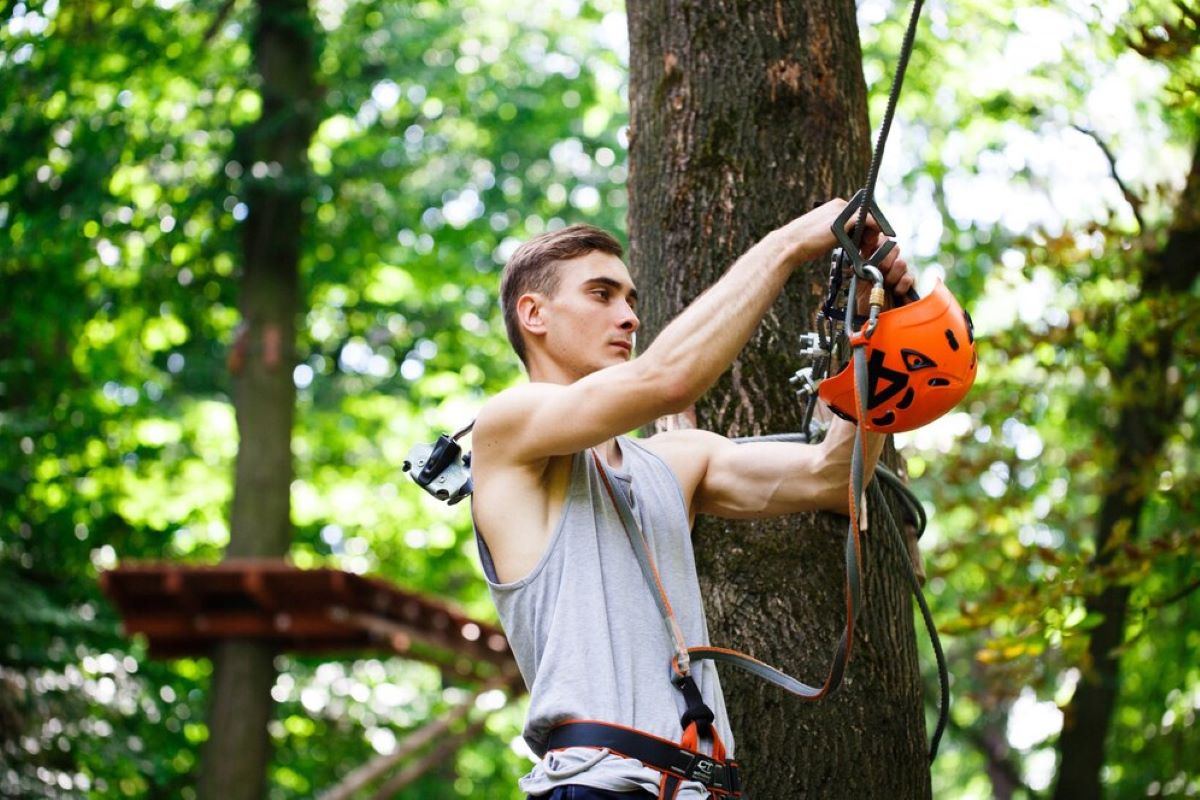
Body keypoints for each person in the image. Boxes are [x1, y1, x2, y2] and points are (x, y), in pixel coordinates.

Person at [470, 200, 914, 799]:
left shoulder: (674, 463)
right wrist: (785, 243)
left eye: (631, 300)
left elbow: (834, 475)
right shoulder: (506, 428)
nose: (628, 317)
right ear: (534, 314)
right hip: (597, 784)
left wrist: (881, 336)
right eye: (601, 294)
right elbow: (667, 380)